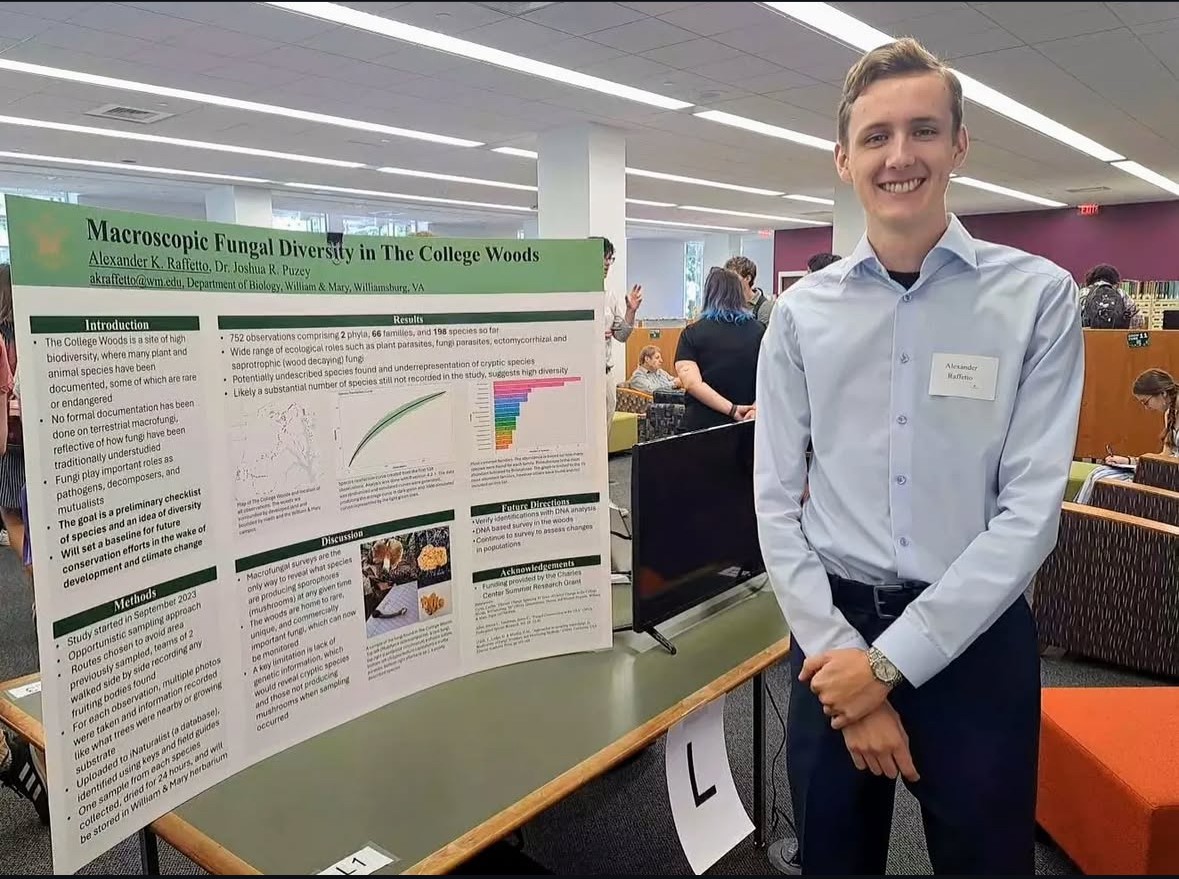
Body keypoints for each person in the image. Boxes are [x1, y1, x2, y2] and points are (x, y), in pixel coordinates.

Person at [754, 38, 1084, 876]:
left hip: (974, 639)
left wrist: (889, 666)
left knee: (986, 861)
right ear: (842, 159)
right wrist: (847, 664)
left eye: (923, 131)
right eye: (875, 137)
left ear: (958, 144)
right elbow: (773, 501)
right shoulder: (800, 316)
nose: (899, 156)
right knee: (832, 859)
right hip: (832, 634)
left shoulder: (1037, 298)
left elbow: (1029, 513)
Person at [674, 267, 763, 432]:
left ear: (709, 294)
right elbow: (771, 377)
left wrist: (732, 409)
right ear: (739, 294)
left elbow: (692, 383)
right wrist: (755, 407)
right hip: (749, 425)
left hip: (701, 428)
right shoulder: (760, 331)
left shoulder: (692, 333)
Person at [1074, 368, 1177, 503]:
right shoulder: (1169, 414)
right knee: (1098, 474)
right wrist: (1129, 461)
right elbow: (1165, 456)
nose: (1147, 408)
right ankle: (1080, 519)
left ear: (1163, 393)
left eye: (1145, 402)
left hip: (1172, 474)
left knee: (1108, 482)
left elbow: (1167, 460)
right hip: (1167, 469)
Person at [594, 237, 642, 433]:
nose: (607, 263)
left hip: (605, 372)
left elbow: (620, 335)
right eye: (603, 258)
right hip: (584, 373)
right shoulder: (574, 294)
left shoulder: (610, 295)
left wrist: (631, 311)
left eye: (610, 258)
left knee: (605, 429)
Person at [1078, 263, 1142, 329]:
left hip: (1087, 337)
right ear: (1114, 280)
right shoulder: (1121, 294)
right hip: (1116, 337)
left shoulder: (1083, 293)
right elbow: (1139, 320)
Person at [724, 255, 772, 325]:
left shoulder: (765, 307)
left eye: (733, 278)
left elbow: (765, 335)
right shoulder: (727, 305)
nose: (729, 282)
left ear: (747, 278)